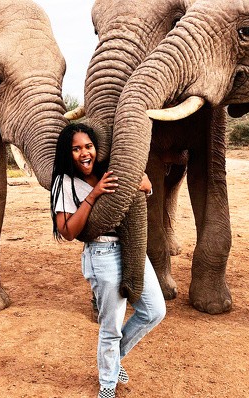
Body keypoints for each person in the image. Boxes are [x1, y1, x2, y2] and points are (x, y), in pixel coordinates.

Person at [50, 123, 166, 398]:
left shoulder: (108, 169)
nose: (84, 153)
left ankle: (113, 362)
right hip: (101, 254)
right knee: (111, 327)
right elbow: (67, 231)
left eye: (88, 146)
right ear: (68, 154)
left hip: (131, 248)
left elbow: (144, 189)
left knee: (154, 311)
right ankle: (107, 385)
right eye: (76, 149)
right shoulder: (64, 182)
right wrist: (94, 194)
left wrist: (144, 185)